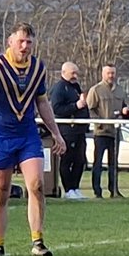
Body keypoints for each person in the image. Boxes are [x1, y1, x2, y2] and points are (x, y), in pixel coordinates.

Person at [0, 22, 64, 256]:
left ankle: (38, 241)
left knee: (37, 185)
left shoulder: (38, 68)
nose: (24, 46)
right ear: (10, 42)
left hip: (27, 134)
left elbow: (42, 102)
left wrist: (56, 132)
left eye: (29, 42)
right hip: (0, 135)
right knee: (1, 190)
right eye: (20, 41)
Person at [86, 65, 129, 199]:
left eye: (113, 73)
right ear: (103, 74)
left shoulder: (120, 90)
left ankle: (114, 190)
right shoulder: (96, 90)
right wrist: (99, 122)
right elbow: (90, 109)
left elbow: (126, 106)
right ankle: (97, 191)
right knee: (98, 163)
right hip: (101, 132)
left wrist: (125, 113)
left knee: (114, 163)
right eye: (108, 73)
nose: (111, 75)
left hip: (115, 133)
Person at [49, 61, 89, 202]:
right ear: (64, 72)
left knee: (80, 160)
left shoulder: (76, 87)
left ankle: (75, 187)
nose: (75, 76)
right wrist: (75, 106)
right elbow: (57, 109)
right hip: (67, 131)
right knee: (67, 160)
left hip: (79, 130)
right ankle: (68, 189)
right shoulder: (59, 88)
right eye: (72, 73)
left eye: (76, 73)